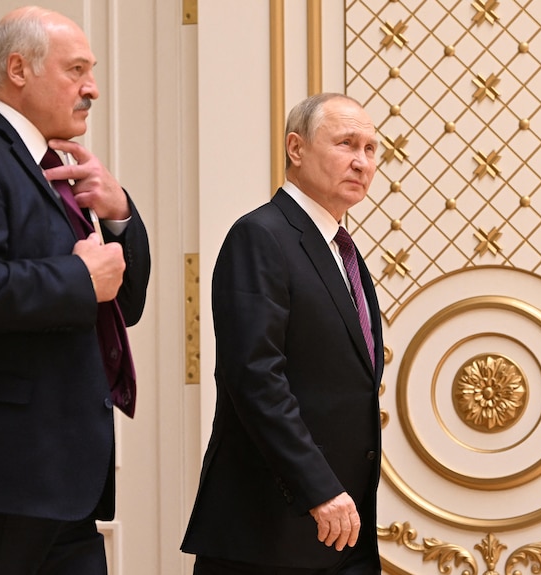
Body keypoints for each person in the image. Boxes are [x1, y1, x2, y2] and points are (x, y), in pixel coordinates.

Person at [0, 6, 150, 574]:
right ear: (18, 69)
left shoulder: (49, 163)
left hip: (63, 485)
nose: (92, 88)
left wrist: (118, 216)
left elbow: (123, 305)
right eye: (76, 70)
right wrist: (76, 278)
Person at [181, 93, 384, 575]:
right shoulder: (261, 236)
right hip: (268, 533)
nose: (362, 162)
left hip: (340, 531)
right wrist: (318, 488)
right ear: (296, 148)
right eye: (346, 144)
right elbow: (255, 378)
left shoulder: (340, 249)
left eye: (372, 149)